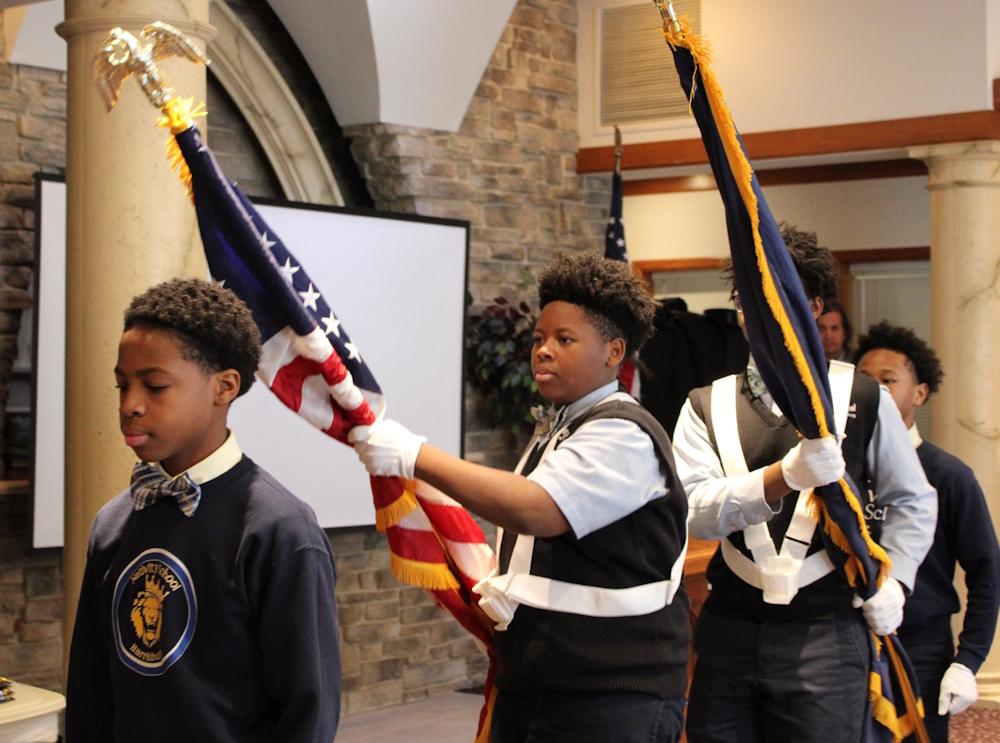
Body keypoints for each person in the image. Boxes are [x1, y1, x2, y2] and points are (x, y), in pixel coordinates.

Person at [351, 252, 691, 743]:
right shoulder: (562, 423)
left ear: (614, 352)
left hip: (610, 692)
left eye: (564, 339)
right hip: (540, 680)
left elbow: (537, 508)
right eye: (538, 339)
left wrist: (415, 455)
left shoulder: (624, 433)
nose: (543, 351)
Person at [671, 226, 937, 743]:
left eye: (771, 294)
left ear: (812, 305)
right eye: (745, 296)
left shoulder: (863, 396)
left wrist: (897, 581)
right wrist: (782, 479)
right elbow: (694, 513)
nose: (755, 309)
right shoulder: (705, 404)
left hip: (829, 630)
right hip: (729, 624)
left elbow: (913, 500)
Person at [65, 278, 341, 743]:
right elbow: (91, 692)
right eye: (121, 385)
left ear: (224, 387)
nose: (130, 405)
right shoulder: (113, 524)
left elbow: (306, 711)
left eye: (154, 386)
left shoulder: (279, 531)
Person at [855, 321, 1000, 743]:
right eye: (865, 381)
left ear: (919, 393)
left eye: (888, 381)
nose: (875, 392)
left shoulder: (949, 476)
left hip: (919, 646)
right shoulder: (837, 470)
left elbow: (987, 572)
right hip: (843, 642)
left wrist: (968, 660)